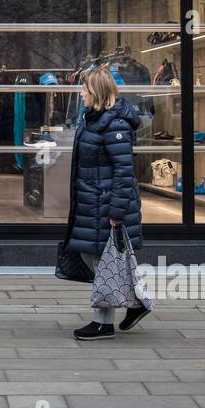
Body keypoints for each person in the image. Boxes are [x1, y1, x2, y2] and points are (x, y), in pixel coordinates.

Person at [65, 65, 152, 340]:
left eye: (84, 89)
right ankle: (135, 302)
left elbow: (124, 172)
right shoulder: (92, 118)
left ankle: (103, 322)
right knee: (93, 257)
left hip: (105, 203)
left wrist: (116, 212)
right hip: (92, 200)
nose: (81, 94)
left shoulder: (114, 124)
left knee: (102, 261)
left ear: (96, 92)